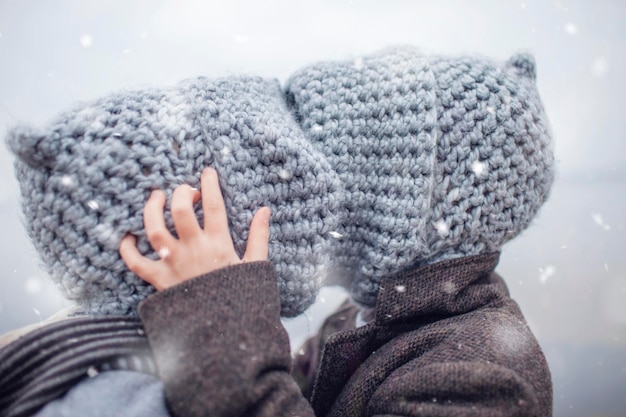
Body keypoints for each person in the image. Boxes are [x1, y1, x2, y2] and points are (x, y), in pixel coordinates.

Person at [1, 46, 554, 417]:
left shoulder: (487, 374)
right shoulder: (378, 317)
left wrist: (216, 307)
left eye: (328, 155)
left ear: (407, 201)